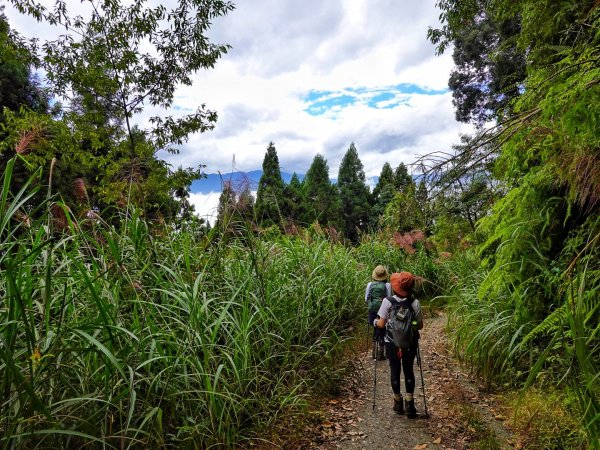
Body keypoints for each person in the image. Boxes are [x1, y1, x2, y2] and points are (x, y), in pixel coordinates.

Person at [374, 271, 423, 418]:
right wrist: (410, 325)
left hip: (392, 343)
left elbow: (381, 324)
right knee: (408, 370)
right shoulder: (415, 303)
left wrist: (375, 322)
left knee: (395, 370)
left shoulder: (387, 302)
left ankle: (397, 402)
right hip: (409, 343)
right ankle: (410, 404)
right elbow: (419, 325)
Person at [365, 265, 392, 360]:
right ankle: (381, 353)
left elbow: (366, 298)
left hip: (372, 310)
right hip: (383, 310)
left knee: (375, 328)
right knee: (383, 330)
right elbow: (389, 299)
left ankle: (373, 352)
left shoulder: (370, 284)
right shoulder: (387, 285)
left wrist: (372, 304)